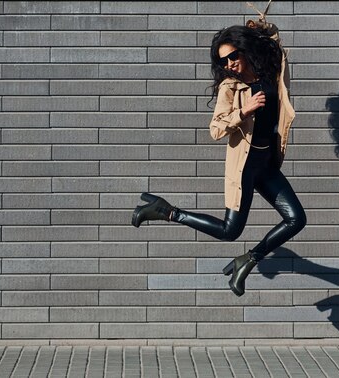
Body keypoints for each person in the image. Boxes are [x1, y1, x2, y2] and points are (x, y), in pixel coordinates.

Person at [131, 22, 306, 297]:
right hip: (245, 166)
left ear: (245, 50)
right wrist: (244, 111)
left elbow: (276, 44)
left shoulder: (270, 71)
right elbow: (215, 129)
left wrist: (265, 27)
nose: (229, 63)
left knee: (297, 219)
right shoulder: (230, 88)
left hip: (267, 164)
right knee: (229, 231)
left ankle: (248, 260)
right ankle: (168, 211)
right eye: (223, 61)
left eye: (233, 56)